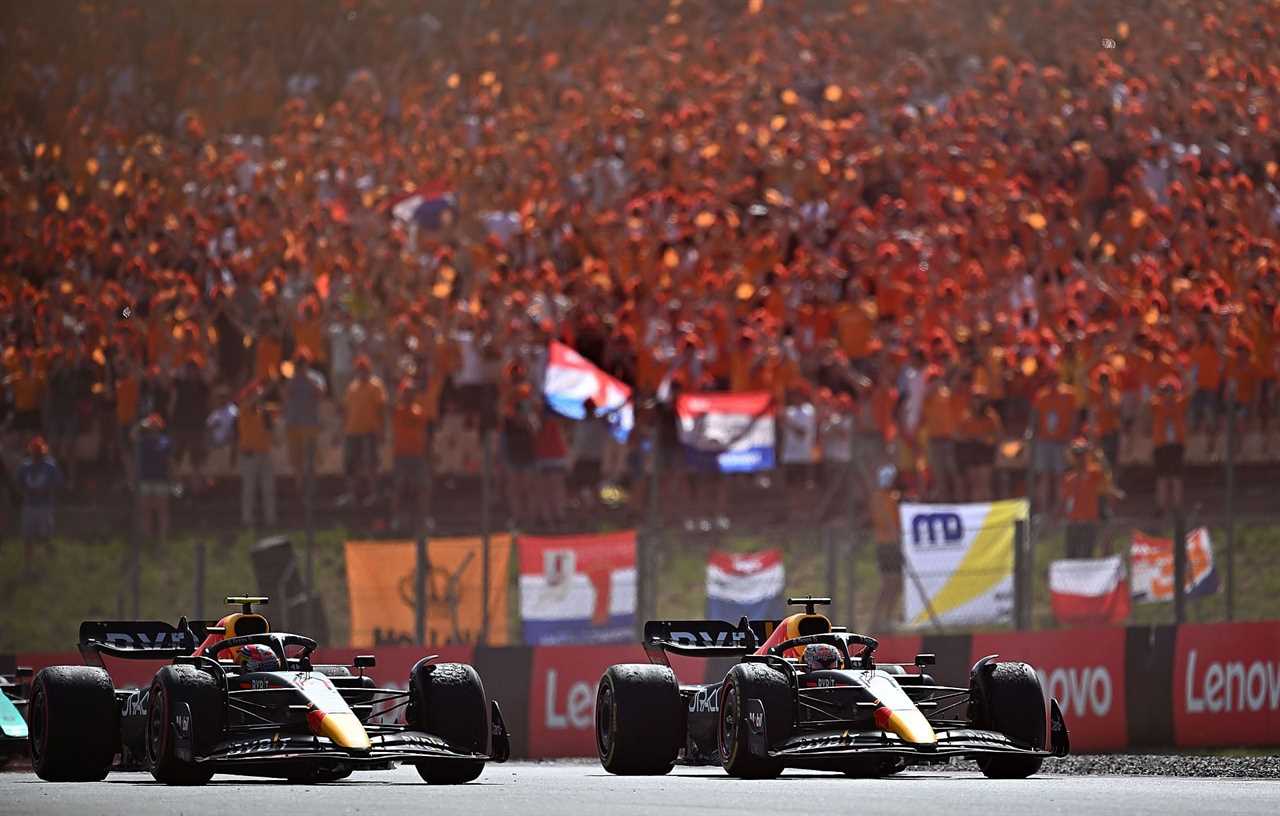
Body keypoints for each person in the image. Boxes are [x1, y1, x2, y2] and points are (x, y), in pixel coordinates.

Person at [1060, 438, 1123, 558]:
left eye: (1082, 453)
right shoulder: (1068, 479)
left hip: (1089, 523)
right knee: (1071, 557)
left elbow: (1106, 471)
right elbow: (1065, 502)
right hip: (1073, 523)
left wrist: (1097, 453)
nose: (1080, 457)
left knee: (1086, 556)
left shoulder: (1094, 473)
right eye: (1076, 454)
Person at [1028, 370, 1078, 516]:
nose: (1052, 382)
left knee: (1059, 477)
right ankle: (1043, 511)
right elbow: (1035, 418)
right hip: (1044, 441)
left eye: (1054, 378)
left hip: (1061, 442)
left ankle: (1058, 511)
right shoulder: (1041, 396)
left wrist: (1070, 436)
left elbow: (1074, 417)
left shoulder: (1069, 395)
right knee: (1044, 477)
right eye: (1049, 379)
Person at [283, 349, 326, 513]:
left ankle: (312, 491)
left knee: (311, 461)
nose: (301, 365)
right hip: (294, 425)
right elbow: (285, 396)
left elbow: (321, 393)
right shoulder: (291, 378)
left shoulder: (316, 377)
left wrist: (306, 377)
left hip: (310, 425)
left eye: (303, 362)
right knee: (297, 462)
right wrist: (295, 378)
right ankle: (299, 491)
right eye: (298, 362)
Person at [341, 356, 386, 507]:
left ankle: (374, 494)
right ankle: (351, 494)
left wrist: (382, 430)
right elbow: (346, 410)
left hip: (369, 431)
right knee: (350, 464)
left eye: (364, 369)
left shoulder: (376, 386)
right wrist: (343, 428)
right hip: (352, 431)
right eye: (359, 369)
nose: (362, 372)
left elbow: (381, 410)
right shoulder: (352, 387)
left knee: (371, 464)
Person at [15, 436, 64, 573]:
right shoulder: (24, 466)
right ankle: (29, 566)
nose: (36, 454)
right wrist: (26, 492)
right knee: (27, 537)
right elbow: (18, 483)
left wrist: (47, 492)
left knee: (44, 536)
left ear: (43, 451)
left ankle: (46, 563)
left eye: (39, 451)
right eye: (34, 451)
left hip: (45, 506)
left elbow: (59, 484)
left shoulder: (51, 466)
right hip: (29, 506)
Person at [390, 381, 430, 533]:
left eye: (411, 392)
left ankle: (423, 518)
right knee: (398, 487)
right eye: (406, 392)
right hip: (401, 455)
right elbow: (390, 403)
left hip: (417, 456)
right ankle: (397, 518)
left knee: (423, 487)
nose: (409, 395)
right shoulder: (397, 411)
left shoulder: (420, 412)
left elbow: (424, 434)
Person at [237, 381, 277, 529]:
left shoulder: (263, 412)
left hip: (264, 454)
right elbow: (250, 402)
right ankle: (247, 520)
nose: (259, 396)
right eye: (255, 393)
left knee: (268, 488)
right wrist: (267, 388)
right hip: (249, 454)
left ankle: (270, 520)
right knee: (249, 489)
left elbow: (270, 431)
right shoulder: (244, 409)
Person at [869, 464, 903, 631]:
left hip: (889, 543)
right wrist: (896, 538)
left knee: (895, 583)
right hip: (887, 545)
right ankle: (878, 619)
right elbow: (887, 521)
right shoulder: (882, 498)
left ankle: (885, 618)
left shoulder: (891, 496)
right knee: (890, 582)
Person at [1150, 375, 1188, 517]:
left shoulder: (1180, 403)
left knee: (1176, 478)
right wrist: (1158, 390)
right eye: (1166, 391)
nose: (1168, 394)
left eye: (1171, 390)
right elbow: (1146, 399)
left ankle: (1177, 508)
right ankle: (1161, 507)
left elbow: (1191, 389)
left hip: (1176, 445)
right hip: (1162, 446)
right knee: (1162, 478)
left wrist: (1183, 374)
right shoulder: (1157, 405)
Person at [135, 413, 173, 547]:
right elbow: (132, 435)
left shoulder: (165, 441)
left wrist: (172, 478)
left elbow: (169, 462)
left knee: (162, 510)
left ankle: (163, 539)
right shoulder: (142, 441)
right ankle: (148, 539)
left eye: (155, 424)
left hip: (161, 479)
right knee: (146, 510)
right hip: (145, 479)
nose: (153, 427)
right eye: (151, 424)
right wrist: (141, 424)